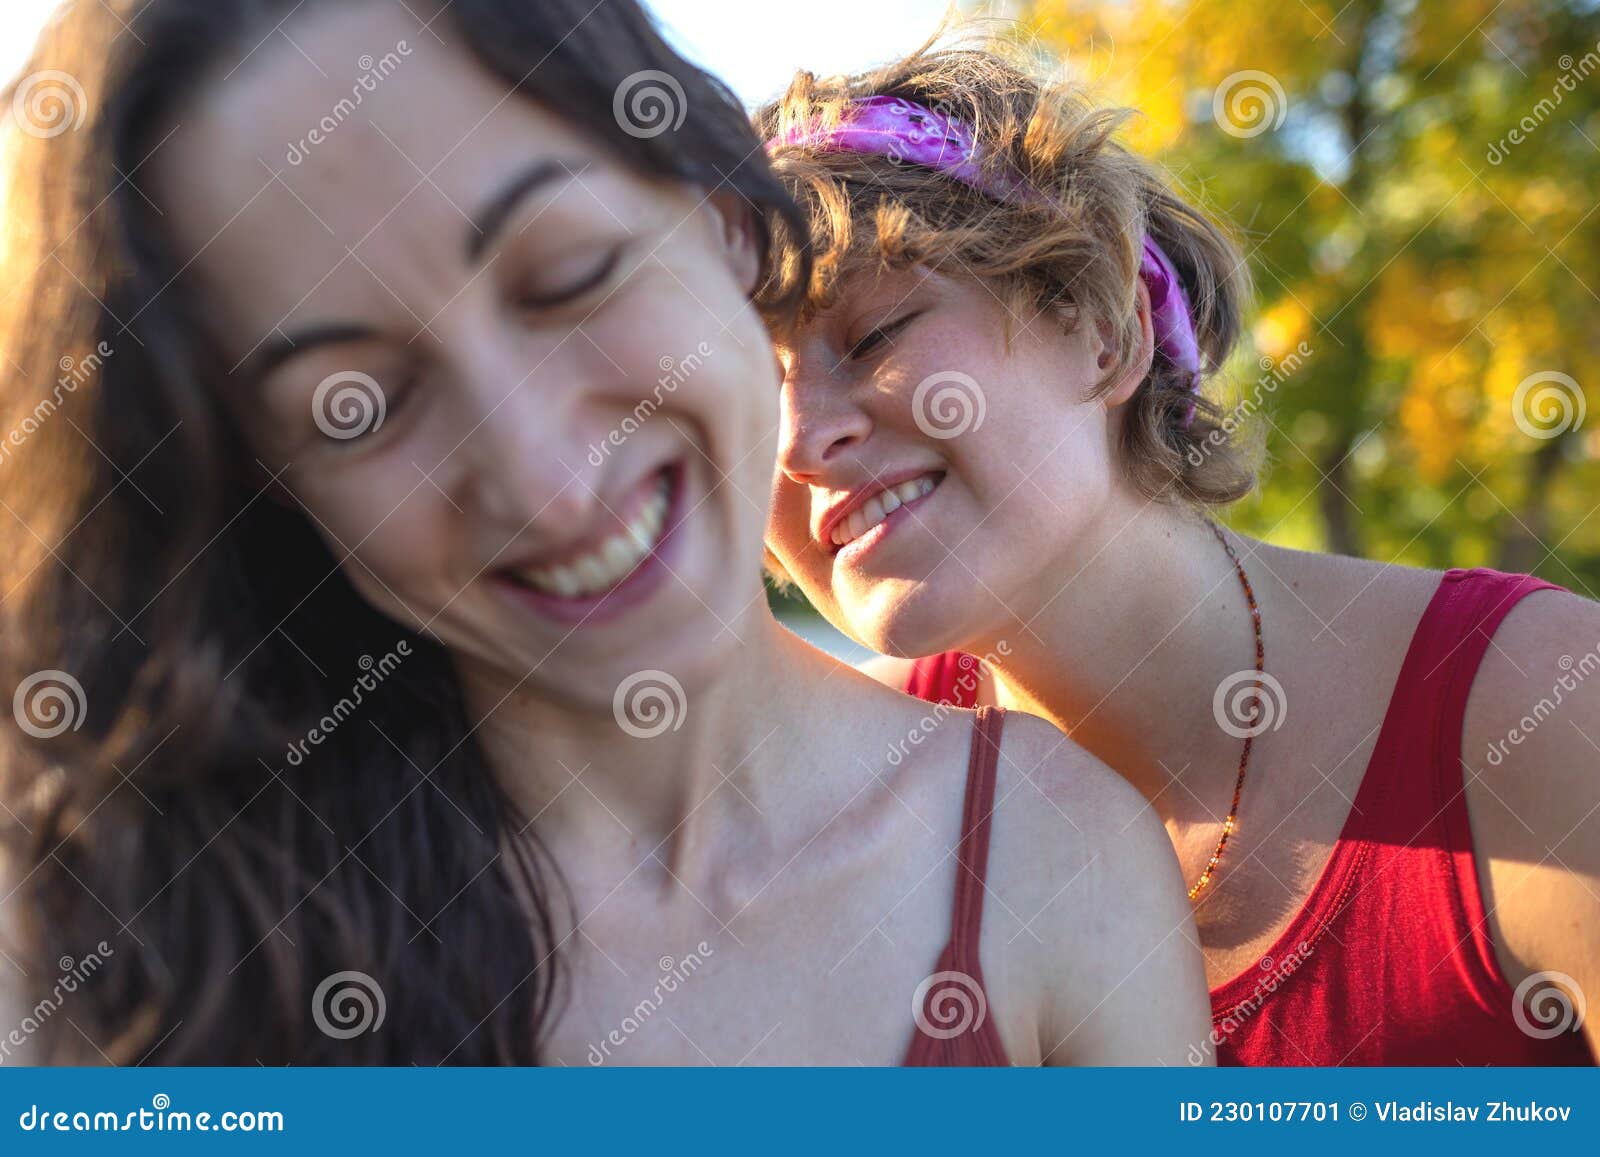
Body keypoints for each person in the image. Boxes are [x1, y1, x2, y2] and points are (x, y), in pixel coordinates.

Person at [0, 0, 1207, 1065]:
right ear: (264, 477)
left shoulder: (1064, 867)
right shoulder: (100, 942)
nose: (545, 479)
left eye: (571, 275)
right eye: (355, 402)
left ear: (730, 218)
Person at [759, 39, 1600, 1065]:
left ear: (1101, 326)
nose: (798, 442)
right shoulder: (845, 796)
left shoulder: (1538, 710)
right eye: (745, 395)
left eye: (873, 334)